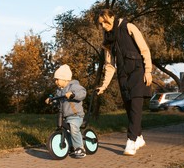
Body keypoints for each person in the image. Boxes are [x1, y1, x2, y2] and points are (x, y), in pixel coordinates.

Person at [95, 9, 152, 156]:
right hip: (123, 76)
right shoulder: (107, 40)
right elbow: (109, 65)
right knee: (129, 109)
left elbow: (144, 50)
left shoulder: (129, 27)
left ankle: (131, 141)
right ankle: (139, 137)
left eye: (105, 23)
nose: (103, 27)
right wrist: (104, 86)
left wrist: (148, 71)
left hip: (138, 72)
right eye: (100, 24)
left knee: (135, 107)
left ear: (112, 17)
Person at [46, 64, 87, 158]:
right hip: (65, 116)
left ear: (65, 79)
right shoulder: (59, 91)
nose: (55, 81)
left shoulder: (74, 86)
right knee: (65, 130)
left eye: (57, 79)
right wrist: (51, 100)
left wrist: (73, 94)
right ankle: (71, 147)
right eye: (55, 80)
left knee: (73, 128)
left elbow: (83, 93)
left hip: (76, 115)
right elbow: (57, 100)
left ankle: (80, 148)